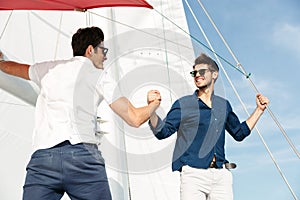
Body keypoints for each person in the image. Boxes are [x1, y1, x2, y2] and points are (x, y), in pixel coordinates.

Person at [0, 26, 160, 200]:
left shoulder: (47, 69)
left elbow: (12, 68)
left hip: (44, 160)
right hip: (83, 160)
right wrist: (153, 105)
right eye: (103, 50)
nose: (105, 56)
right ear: (90, 50)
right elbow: (134, 118)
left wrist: (0, 61)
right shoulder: (100, 76)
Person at [148, 53, 269, 200]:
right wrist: (152, 110)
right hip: (193, 175)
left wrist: (259, 110)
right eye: (194, 73)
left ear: (214, 74)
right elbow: (163, 131)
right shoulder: (183, 104)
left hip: (221, 175)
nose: (197, 75)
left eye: (202, 71)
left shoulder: (224, 105)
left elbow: (239, 133)